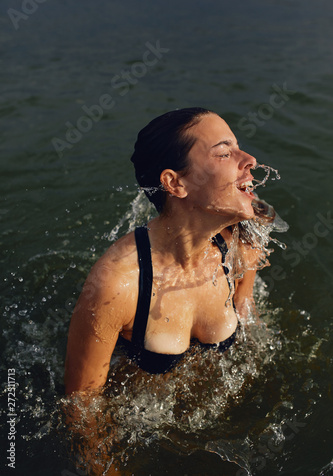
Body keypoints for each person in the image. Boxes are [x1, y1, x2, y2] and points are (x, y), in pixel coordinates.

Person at [64, 107, 269, 396]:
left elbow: (248, 315)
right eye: (224, 153)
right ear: (175, 183)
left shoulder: (242, 243)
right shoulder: (116, 286)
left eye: (238, 148)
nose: (250, 160)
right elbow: (82, 404)